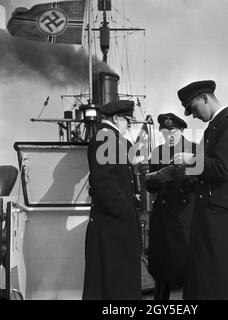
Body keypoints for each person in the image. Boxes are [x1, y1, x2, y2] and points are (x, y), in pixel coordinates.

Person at [175, 80, 228, 300]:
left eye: (194, 109)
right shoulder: (213, 128)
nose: (194, 116)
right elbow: (208, 172)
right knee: (209, 276)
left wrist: (191, 160)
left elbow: (225, 169)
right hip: (210, 213)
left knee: (226, 276)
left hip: (223, 215)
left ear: (205, 98)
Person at [82, 100, 142, 300]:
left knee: (118, 282)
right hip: (112, 226)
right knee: (112, 285)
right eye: (128, 121)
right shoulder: (105, 137)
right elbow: (102, 179)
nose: (129, 126)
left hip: (116, 227)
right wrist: (124, 209)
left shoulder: (114, 139)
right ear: (116, 118)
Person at [145, 113, 196, 300]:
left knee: (188, 267)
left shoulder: (194, 150)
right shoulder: (158, 152)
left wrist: (183, 176)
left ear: (181, 130)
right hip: (163, 216)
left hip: (185, 216)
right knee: (161, 267)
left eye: (172, 130)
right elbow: (149, 185)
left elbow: (200, 182)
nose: (168, 134)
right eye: (165, 130)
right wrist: (158, 178)